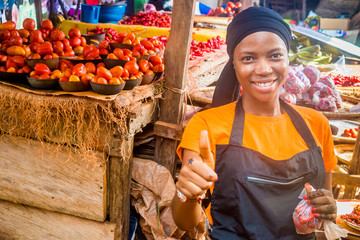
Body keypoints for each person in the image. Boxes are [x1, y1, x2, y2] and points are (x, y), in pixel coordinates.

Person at [172, 7, 338, 239]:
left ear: (288, 58)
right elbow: (184, 221)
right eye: (248, 58)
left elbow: (322, 213)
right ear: (234, 64)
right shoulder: (206, 125)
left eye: (275, 55)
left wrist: (329, 209)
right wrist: (187, 194)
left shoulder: (316, 124)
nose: (263, 69)